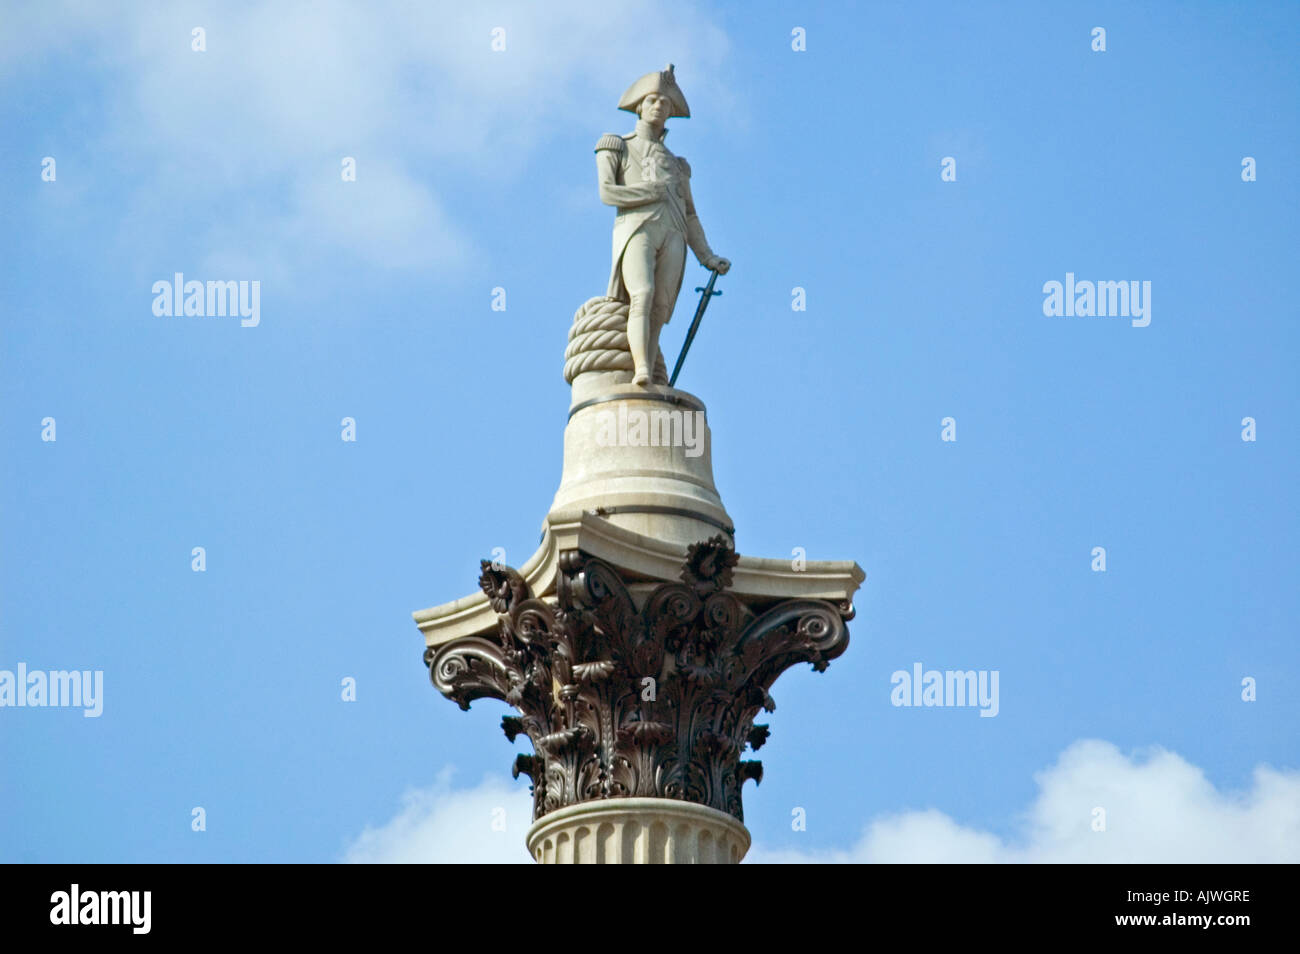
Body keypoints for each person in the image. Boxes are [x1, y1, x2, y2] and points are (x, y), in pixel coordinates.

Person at [595, 65, 731, 387]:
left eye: (665, 103)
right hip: (636, 228)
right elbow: (607, 193)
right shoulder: (617, 145)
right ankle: (642, 368)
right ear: (640, 105)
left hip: (673, 232)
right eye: (653, 100)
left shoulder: (678, 165)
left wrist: (707, 257)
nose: (659, 106)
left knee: (660, 307)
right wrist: (649, 192)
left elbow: (691, 215)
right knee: (642, 293)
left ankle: (650, 367)